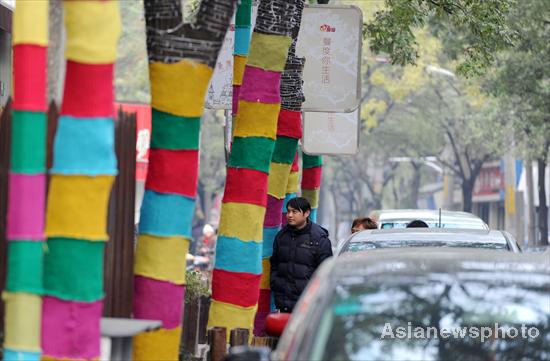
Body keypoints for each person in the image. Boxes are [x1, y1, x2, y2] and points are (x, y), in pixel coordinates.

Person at [270, 197, 333, 313]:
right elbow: (274, 264)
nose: (289, 215)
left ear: (306, 213)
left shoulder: (319, 239)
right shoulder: (281, 236)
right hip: (283, 302)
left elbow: (326, 271)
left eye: (294, 212)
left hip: (308, 305)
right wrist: (275, 283)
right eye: (288, 211)